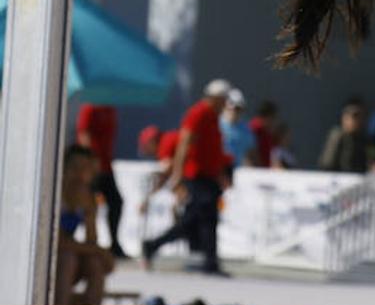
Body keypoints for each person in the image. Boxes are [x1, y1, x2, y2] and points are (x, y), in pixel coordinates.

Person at [141, 79, 231, 275]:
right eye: (223, 100)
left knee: (195, 220)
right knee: (203, 218)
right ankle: (209, 261)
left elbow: (213, 150)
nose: (226, 105)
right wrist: (178, 175)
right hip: (197, 176)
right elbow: (184, 143)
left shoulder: (213, 117)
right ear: (215, 98)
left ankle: (154, 245)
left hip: (208, 177)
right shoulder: (198, 113)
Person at [54, 145, 114, 305]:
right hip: (54, 260)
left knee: (95, 263)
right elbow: (57, 243)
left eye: (85, 169)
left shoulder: (87, 196)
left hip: (67, 254)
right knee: (68, 259)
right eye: (75, 168)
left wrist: (89, 211)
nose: (80, 174)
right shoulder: (54, 194)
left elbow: (91, 240)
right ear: (64, 168)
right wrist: (100, 251)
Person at [75, 103, 126, 259]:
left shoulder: (111, 109)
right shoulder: (90, 108)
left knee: (116, 202)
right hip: (92, 167)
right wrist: (89, 161)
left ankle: (114, 243)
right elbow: (84, 135)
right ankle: (90, 242)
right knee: (89, 205)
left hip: (106, 166)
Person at [318, 97, 369, 173]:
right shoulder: (337, 135)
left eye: (361, 116)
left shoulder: (361, 138)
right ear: (344, 118)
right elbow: (327, 163)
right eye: (355, 116)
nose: (358, 120)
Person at [219, 88, 256, 169]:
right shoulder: (216, 124)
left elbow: (249, 154)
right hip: (217, 171)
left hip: (238, 172)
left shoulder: (246, 130)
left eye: (238, 108)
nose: (234, 111)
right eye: (231, 107)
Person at [248, 100, 281, 167]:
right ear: (268, 116)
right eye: (274, 117)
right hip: (256, 172)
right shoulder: (254, 129)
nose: (274, 121)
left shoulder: (267, 132)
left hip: (265, 172)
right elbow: (251, 153)